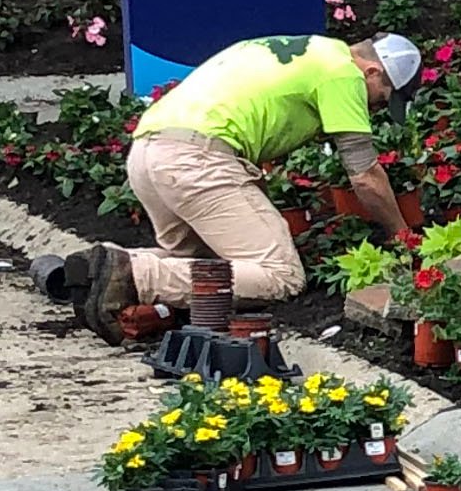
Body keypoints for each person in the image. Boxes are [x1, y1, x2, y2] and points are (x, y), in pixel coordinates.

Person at [45, 33, 421, 340]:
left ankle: (95, 266)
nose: (374, 110)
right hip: (197, 160)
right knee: (279, 275)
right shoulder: (344, 75)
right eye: (382, 100)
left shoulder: (305, 49)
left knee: (202, 266)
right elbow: (365, 175)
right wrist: (402, 236)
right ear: (373, 72)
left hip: (147, 152)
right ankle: (132, 273)